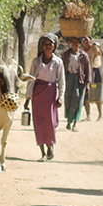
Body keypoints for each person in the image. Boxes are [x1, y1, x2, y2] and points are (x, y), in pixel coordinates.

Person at [24, 33, 65, 162]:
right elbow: (31, 80)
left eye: (50, 44)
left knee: (50, 123)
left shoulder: (58, 62)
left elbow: (62, 81)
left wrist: (61, 97)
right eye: (45, 44)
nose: (48, 46)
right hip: (38, 94)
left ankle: (50, 147)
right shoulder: (36, 62)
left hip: (51, 94)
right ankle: (42, 152)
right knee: (38, 122)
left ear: (54, 46)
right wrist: (27, 98)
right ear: (42, 46)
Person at [60, 36, 90, 132]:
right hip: (69, 78)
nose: (75, 44)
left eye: (77, 42)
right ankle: (69, 122)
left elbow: (88, 70)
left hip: (80, 80)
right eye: (73, 42)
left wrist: (88, 84)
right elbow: (62, 67)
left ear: (80, 44)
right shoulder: (66, 54)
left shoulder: (84, 56)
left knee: (78, 99)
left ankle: (75, 123)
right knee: (68, 98)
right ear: (70, 43)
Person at [81, 36, 103, 121]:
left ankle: (100, 115)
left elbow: (101, 53)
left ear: (90, 40)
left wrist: (98, 46)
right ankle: (88, 116)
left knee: (98, 94)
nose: (85, 41)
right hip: (88, 72)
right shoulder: (83, 51)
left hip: (96, 70)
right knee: (87, 95)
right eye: (83, 40)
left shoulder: (95, 47)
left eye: (86, 39)